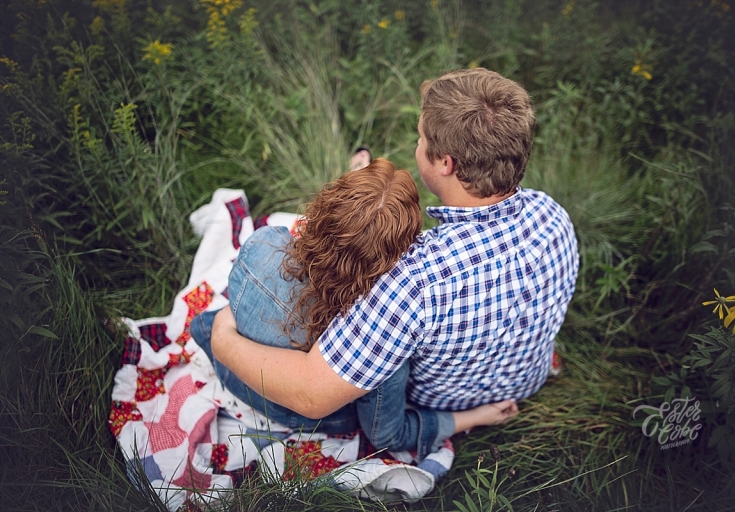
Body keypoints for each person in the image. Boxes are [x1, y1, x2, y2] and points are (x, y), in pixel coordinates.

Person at [208, 68, 579, 458]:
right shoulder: (552, 215)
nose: (417, 145)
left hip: (435, 404)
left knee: (243, 305)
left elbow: (311, 394)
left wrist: (223, 339)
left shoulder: (413, 280)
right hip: (522, 381)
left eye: (420, 138)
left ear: (446, 163)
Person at [192, 158, 517, 460]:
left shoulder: (263, 241)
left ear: (323, 210)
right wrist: (477, 416)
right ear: (396, 260)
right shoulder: (373, 335)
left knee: (206, 324)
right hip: (295, 413)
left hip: (236, 370)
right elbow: (387, 434)